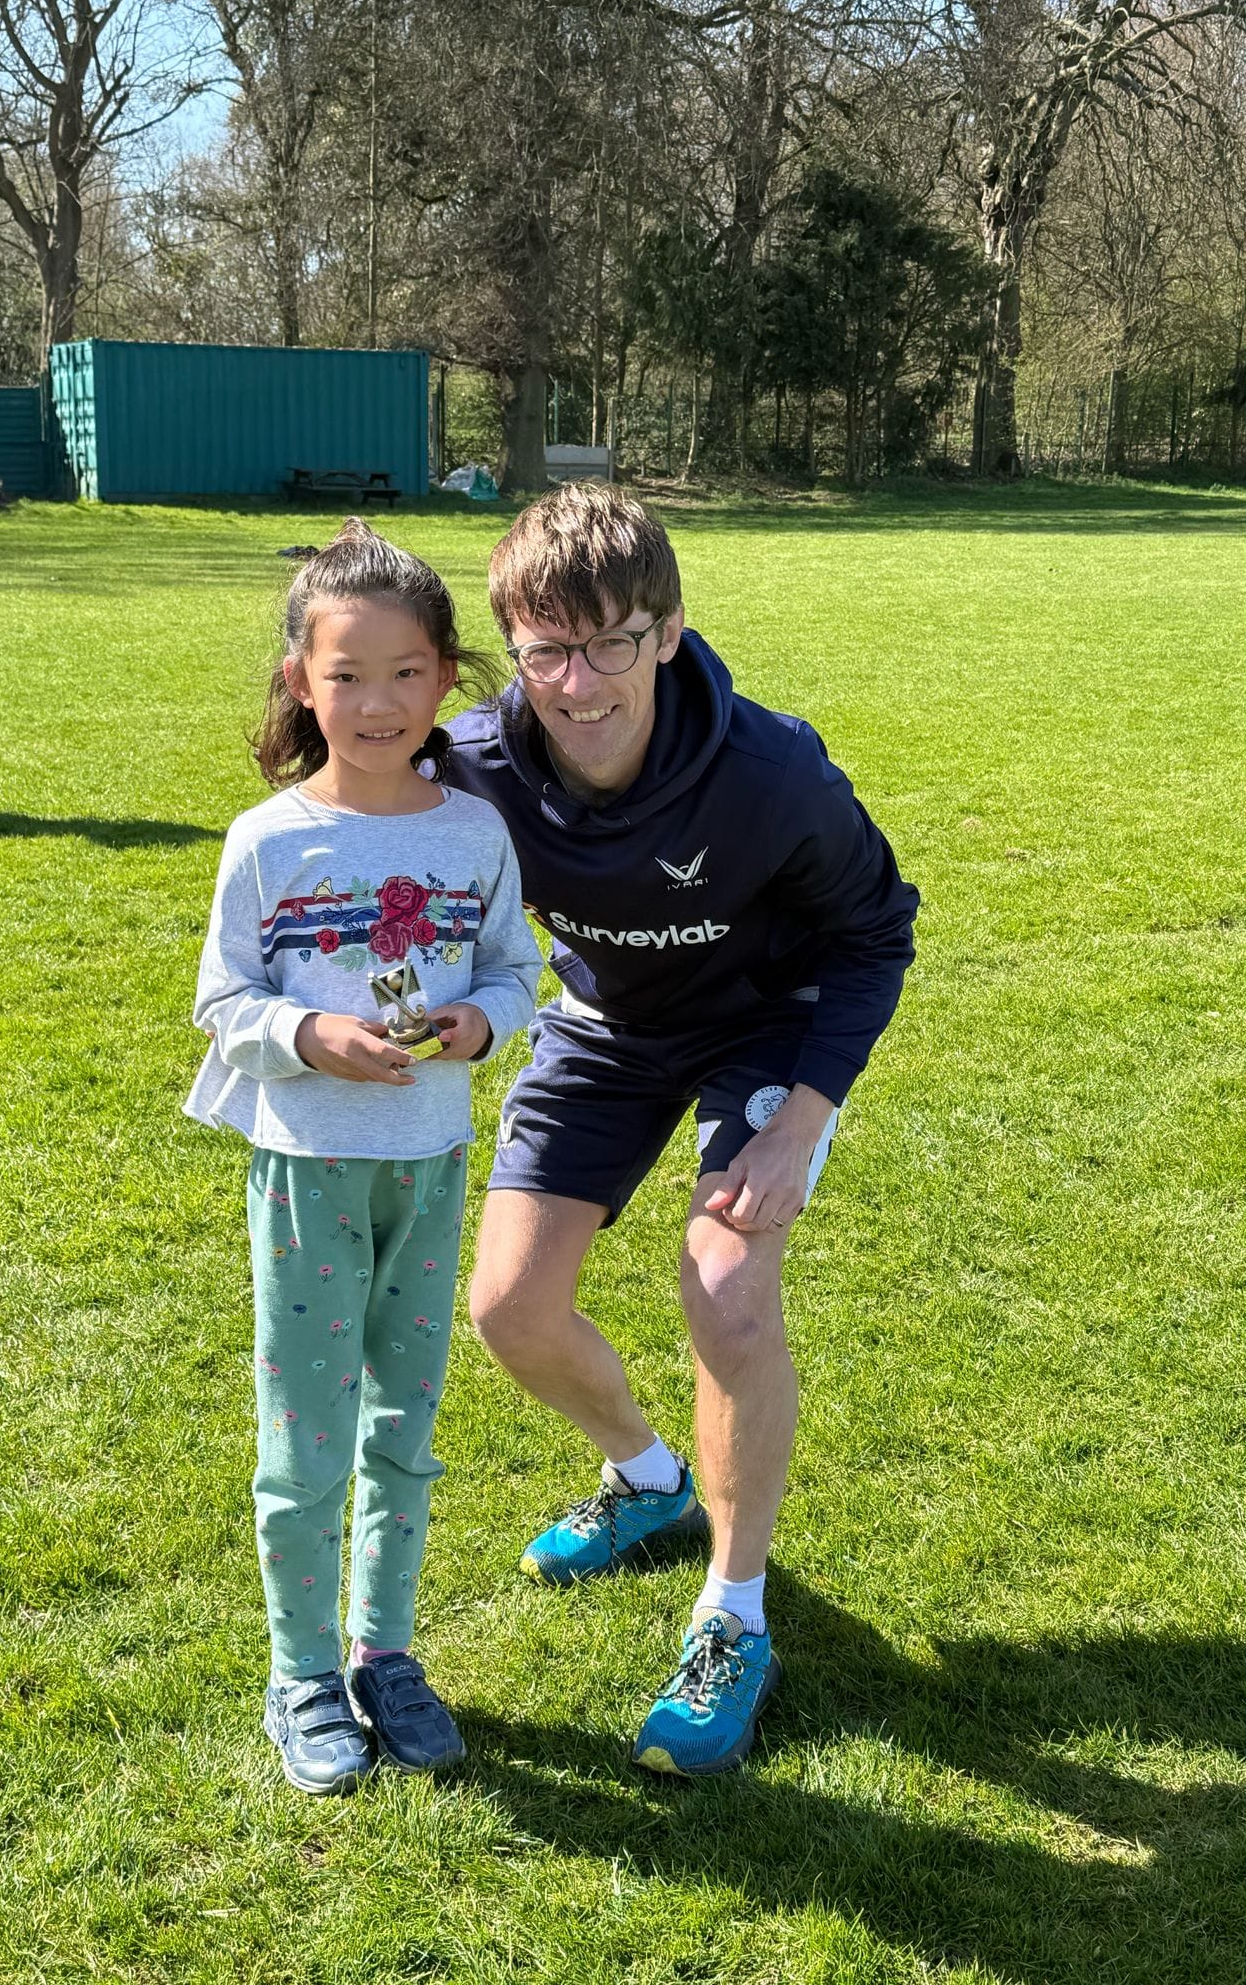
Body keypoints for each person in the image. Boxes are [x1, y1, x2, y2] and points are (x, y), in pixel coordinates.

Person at [443, 485, 919, 1777]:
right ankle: (648, 1480)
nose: (577, 681)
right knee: (509, 1310)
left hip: (768, 1024)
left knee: (726, 1289)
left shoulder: (771, 772)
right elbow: (357, 802)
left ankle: (734, 1613)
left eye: (609, 642)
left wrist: (798, 1125)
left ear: (666, 631)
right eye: (545, 649)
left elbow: (878, 930)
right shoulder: (473, 764)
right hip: (606, 1025)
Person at [185, 520, 541, 1795]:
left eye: (405, 672)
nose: (378, 702)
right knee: (306, 1436)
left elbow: (516, 968)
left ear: (446, 675)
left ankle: (383, 1650)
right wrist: (308, 1034)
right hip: (308, 1175)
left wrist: (480, 1021)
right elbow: (222, 1001)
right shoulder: (267, 839)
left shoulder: (476, 833)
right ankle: (301, 1672)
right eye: (346, 675)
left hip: (429, 1166)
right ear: (301, 679)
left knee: (406, 1421)